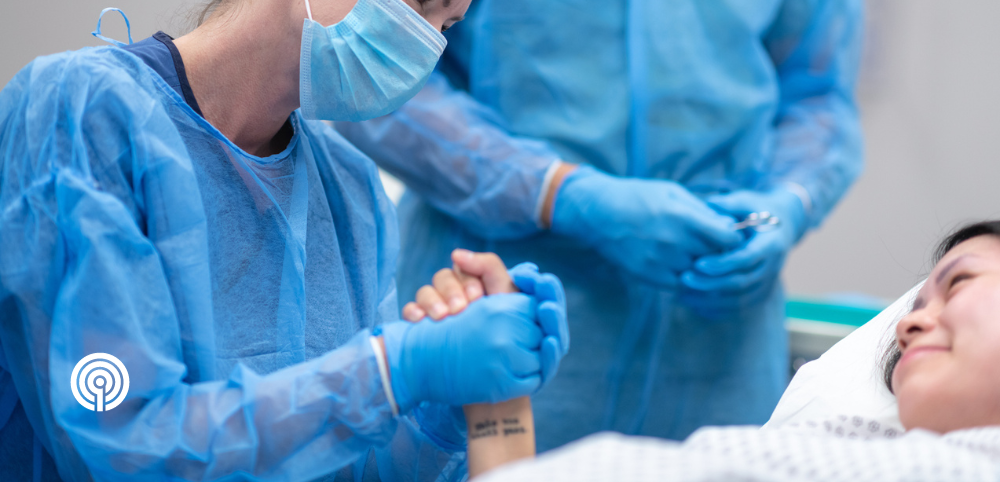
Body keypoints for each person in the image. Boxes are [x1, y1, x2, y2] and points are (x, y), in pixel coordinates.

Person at [0, 0, 568, 480]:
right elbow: (122, 442)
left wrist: (440, 403)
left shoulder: (350, 192)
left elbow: (351, 462)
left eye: (447, 26)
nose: (427, 44)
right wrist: (389, 371)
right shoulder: (81, 116)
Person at [336, 0, 866, 449]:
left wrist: (788, 203)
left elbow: (820, 95)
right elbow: (376, 70)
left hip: (717, 343)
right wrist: (557, 193)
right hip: (495, 300)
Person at [406, 222, 1000, 482]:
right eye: (914, 304)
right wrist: (496, 398)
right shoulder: (844, 448)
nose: (906, 326)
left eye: (962, 283)